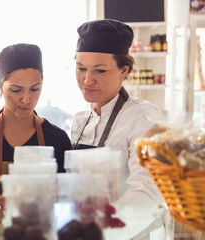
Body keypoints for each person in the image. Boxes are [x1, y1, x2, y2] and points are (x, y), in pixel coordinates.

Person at [70, 19, 167, 203]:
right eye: (81, 68)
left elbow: (146, 192)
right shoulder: (80, 121)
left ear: (124, 71)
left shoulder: (144, 118)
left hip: (129, 230)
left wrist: (106, 224)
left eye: (100, 71)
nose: (87, 80)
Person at [0, 43, 72, 174]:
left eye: (35, 89)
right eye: (16, 90)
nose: (26, 99)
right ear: (0, 87)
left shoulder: (58, 139)